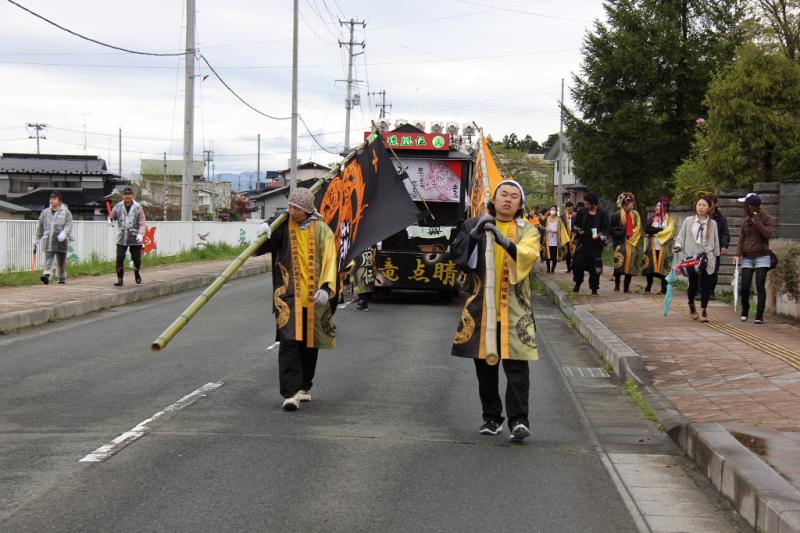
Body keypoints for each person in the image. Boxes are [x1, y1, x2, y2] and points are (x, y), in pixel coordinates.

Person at [449, 180, 540, 442]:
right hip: (482, 309)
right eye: (504, 194)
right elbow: (459, 257)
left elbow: (528, 255)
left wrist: (505, 242)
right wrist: (474, 235)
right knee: (485, 367)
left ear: (520, 204)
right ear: (494, 199)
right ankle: (491, 417)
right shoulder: (475, 224)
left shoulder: (527, 230)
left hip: (515, 311)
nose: (508, 199)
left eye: (514, 196)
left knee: (517, 368)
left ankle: (519, 420)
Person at [255, 188, 337, 411]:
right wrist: (266, 227)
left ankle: (305, 386)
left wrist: (326, 288)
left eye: (297, 208)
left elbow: (330, 259)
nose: (292, 211)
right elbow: (265, 244)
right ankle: (290, 393)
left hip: (315, 298)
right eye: (290, 206)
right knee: (289, 342)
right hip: (288, 297)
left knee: (310, 344)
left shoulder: (322, 230)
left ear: (308, 210)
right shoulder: (283, 225)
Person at [674, 195, 720, 322]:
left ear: (709, 208)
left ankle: (704, 310)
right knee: (693, 284)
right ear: (695, 206)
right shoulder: (688, 221)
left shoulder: (713, 224)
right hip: (691, 257)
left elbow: (716, 241)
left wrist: (716, 256)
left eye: (704, 205)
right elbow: (680, 237)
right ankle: (691, 305)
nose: (701, 207)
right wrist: (678, 246)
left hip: (707, 257)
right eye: (699, 204)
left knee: (706, 285)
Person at [734, 193, 775, 324]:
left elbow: (767, 234)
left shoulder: (766, 218)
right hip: (747, 257)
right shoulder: (746, 220)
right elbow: (741, 238)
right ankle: (745, 310)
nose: (744, 207)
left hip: (762, 256)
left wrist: (757, 221)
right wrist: (737, 253)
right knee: (745, 286)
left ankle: (759, 315)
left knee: (759, 285)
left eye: (746, 204)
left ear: (752, 206)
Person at [571, 193, 609, 295]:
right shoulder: (582, 212)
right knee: (577, 265)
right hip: (583, 244)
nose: (586, 206)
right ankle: (577, 284)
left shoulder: (602, 213)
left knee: (595, 268)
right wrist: (578, 230)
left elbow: (606, 229)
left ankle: (594, 289)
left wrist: (599, 236)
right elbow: (574, 225)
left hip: (596, 245)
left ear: (593, 204)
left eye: (588, 204)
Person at [110, 186, 147, 286]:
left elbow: (143, 222)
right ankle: (120, 279)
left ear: (132, 195)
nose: (127, 196)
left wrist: (141, 234)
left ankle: (136, 272)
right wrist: (110, 220)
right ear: (123, 196)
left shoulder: (138, 207)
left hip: (135, 237)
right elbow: (112, 216)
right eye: (125, 194)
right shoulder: (118, 206)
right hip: (122, 237)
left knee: (136, 259)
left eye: (129, 194)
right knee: (119, 258)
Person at [33, 191, 73, 285]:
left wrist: (64, 233)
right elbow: (40, 226)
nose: (52, 200)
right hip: (48, 240)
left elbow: (69, 224)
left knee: (61, 260)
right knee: (48, 259)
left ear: (59, 201)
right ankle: (47, 276)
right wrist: (36, 238)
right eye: (51, 198)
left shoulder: (66, 212)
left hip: (61, 240)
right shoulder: (45, 212)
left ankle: (62, 276)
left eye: (54, 199)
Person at [643, 197, 676, 294]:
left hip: (664, 247)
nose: (656, 207)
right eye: (656, 206)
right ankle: (648, 286)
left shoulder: (670, 220)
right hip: (652, 246)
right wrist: (660, 230)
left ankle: (663, 288)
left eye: (659, 206)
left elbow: (669, 231)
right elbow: (647, 229)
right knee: (649, 267)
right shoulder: (651, 219)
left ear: (665, 208)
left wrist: (654, 231)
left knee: (664, 268)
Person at [610, 192, 642, 293]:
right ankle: (617, 285)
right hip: (620, 243)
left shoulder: (635, 214)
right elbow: (612, 229)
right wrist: (624, 232)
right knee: (619, 265)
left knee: (630, 266)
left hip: (632, 243)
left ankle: (626, 287)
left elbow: (638, 227)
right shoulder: (616, 215)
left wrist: (631, 234)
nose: (633, 205)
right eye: (631, 204)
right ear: (625, 204)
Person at [706, 194, 731, 301]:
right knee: (700, 269)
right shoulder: (701, 216)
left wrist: (724, 245)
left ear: (715, 204)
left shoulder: (721, 218)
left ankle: (710, 292)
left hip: (714, 248)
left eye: (710, 203)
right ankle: (699, 291)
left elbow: (725, 233)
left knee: (713, 270)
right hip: (701, 247)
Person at [543, 205, 570, 273]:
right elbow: (542, 227)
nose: (553, 211)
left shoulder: (559, 220)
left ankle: (553, 269)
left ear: (556, 211)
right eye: (551, 209)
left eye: (554, 209)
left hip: (556, 240)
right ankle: (548, 269)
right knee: (548, 255)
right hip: (548, 239)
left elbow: (562, 229)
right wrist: (546, 230)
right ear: (549, 210)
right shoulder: (547, 219)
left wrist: (557, 232)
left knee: (555, 256)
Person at [562, 202, 576, 273]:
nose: (569, 210)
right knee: (567, 254)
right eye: (568, 209)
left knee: (574, 253)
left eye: (570, 209)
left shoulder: (576, 216)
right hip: (566, 236)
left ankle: (573, 267)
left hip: (574, 236)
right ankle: (568, 268)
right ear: (566, 209)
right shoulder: (563, 217)